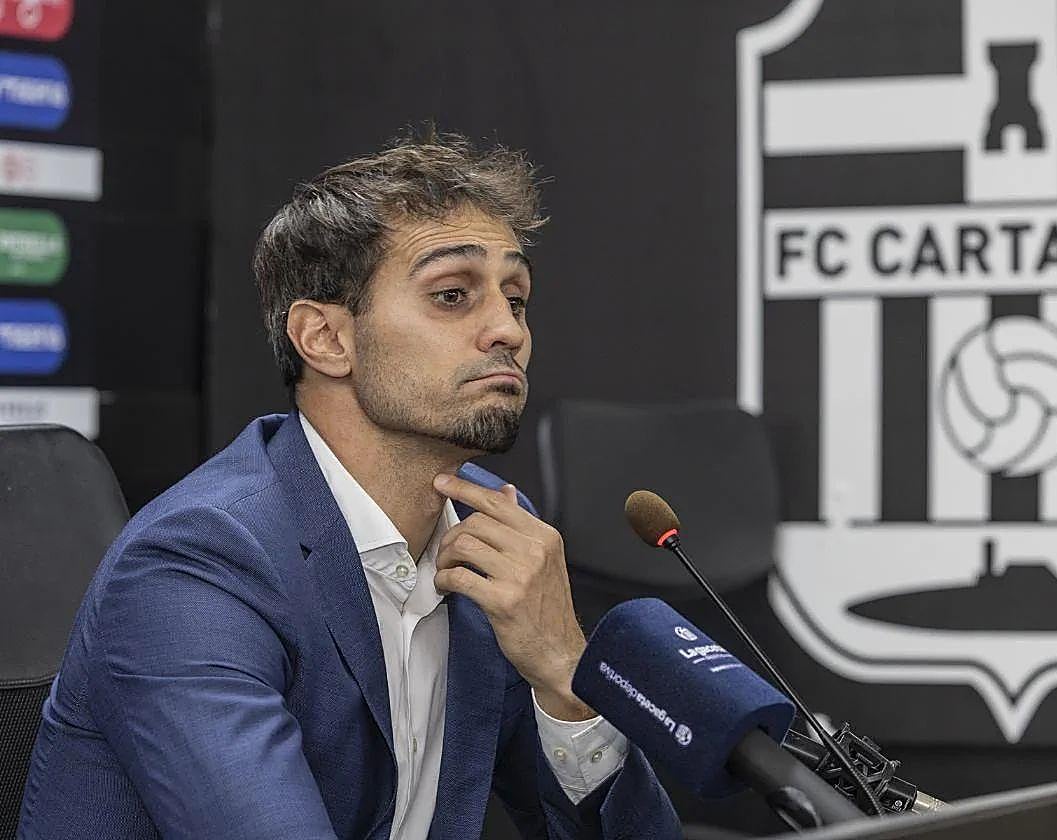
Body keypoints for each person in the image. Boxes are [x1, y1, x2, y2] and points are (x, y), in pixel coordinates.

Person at [19, 132, 681, 839]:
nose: (506, 330)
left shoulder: (490, 536)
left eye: (515, 299)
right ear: (325, 339)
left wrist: (565, 676)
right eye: (453, 295)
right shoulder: (196, 566)